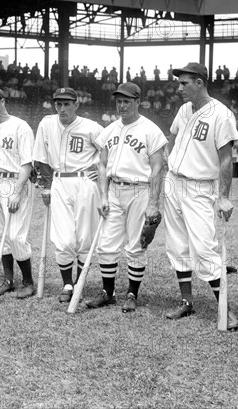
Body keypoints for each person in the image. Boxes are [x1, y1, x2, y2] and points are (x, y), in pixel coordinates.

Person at [164, 63, 238, 331]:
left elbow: (226, 159)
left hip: (200, 187)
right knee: (177, 245)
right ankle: (187, 301)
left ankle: (225, 310)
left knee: (204, 248)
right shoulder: (184, 109)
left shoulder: (222, 114)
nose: (179, 88)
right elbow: (173, 138)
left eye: (184, 83)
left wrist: (224, 196)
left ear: (199, 82)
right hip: (174, 182)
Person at [84, 82, 167, 312]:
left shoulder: (151, 130)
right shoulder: (109, 130)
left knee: (135, 246)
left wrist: (153, 203)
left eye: (127, 101)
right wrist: (102, 196)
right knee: (106, 244)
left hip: (139, 190)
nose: (122, 105)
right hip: (113, 190)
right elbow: (101, 165)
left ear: (138, 102)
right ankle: (108, 293)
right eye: (119, 101)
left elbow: (158, 168)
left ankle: (132, 293)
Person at [33, 87, 103, 303]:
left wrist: (99, 166)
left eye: (66, 104)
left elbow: (109, 151)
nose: (61, 108)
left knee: (84, 237)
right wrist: (45, 185)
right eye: (58, 104)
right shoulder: (46, 123)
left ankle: (80, 282)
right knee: (63, 240)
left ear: (76, 104)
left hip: (84, 183)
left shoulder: (92, 127)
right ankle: (67, 284)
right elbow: (40, 156)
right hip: (59, 182)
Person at [0, 88, 36, 299]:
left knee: (15, 236)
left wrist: (17, 192)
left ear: (2, 101)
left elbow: (27, 163)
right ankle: (9, 280)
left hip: (14, 182)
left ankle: (28, 281)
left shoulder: (20, 126)